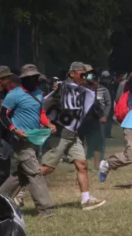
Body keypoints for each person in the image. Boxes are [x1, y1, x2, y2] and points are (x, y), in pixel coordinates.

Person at [41, 62, 106, 210]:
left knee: (82, 165)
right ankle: (22, 187)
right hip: (61, 135)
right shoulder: (62, 88)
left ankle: (86, 199)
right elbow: (46, 105)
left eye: (87, 74)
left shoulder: (82, 89)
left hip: (74, 135)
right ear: (72, 73)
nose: (85, 77)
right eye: (82, 74)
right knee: (47, 168)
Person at [0, 64, 56, 218]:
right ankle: (44, 209)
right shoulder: (14, 95)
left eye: (36, 77)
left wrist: (48, 123)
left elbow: (41, 112)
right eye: (30, 78)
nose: (34, 80)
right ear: (23, 79)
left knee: (21, 176)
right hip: (21, 141)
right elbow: (2, 115)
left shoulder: (38, 93)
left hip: (35, 140)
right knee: (35, 173)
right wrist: (14, 129)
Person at [80, 66, 112, 170]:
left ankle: (96, 165)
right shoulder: (80, 88)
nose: (89, 76)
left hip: (97, 118)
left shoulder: (102, 89)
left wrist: (104, 116)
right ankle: (83, 164)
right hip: (83, 118)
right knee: (81, 141)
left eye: (91, 73)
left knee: (98, 141)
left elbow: (108, 103)